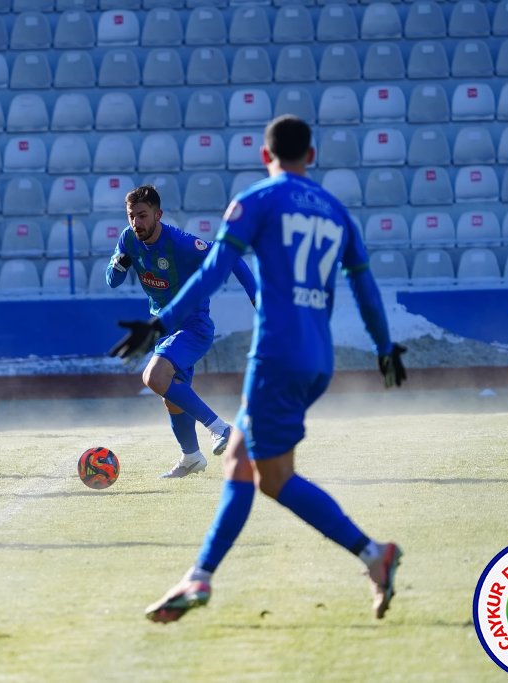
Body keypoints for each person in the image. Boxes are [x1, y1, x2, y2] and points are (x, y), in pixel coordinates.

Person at [111, 116, 407, 623]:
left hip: (276, 353)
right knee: (262, 472)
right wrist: (385, 348)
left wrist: (158, 325)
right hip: (318, 356)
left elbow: (211, 273)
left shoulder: (256, 200)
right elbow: (365, 288)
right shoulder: (336, 212)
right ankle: (372, 556)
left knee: (253, 469)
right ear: (310, 157)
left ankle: (202, 576)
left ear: (265, 157)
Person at [107, 186, 257, 478]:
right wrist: (118, 264)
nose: (136, 222)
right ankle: (191, 457)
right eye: (131, 216)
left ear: (158, 214)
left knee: (153, 376)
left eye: (142, 215)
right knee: (171, 396)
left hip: (193, 327)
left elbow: (232, 258)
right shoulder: (128, 239)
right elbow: (112, 280)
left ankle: (221, 428)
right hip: (162, 330)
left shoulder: (181, 243)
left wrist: (257, 298)